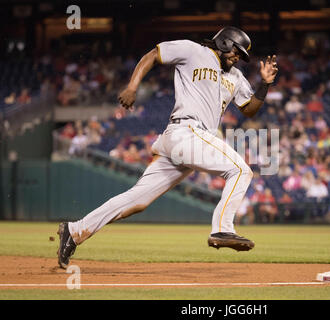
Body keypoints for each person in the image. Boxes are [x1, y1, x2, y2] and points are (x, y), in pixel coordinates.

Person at [56, 26, 278, 269]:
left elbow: (249, 108)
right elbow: (153, 55)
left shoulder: (235, 76)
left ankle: (75, 230)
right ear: (225, 43)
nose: (238, 58)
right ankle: (223, 229)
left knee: (136, 201)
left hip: (189, 142)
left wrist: (265, 85)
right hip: (186, 131)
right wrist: (132, 87)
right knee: (241, 170)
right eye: (237, 52)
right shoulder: (193, 50)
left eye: (242, 56)